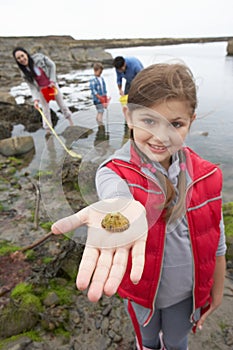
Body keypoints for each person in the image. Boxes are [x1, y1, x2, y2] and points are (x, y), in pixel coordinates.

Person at [51, 63, 226, 350]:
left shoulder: (208, 176)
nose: (161, 136)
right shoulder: (115, 171)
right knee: (146, 341)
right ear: (128, 117)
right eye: (149, 121)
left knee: (177, 341)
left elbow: (217, 241)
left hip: (186, 294)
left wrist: (216, 290)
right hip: (141, 291)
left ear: (191, 121)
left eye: (176, 124)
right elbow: (115, 194)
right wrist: (119, 208)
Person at [12, 47, 73, 136]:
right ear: (17, 61)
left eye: (22, 56)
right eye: (18, 58)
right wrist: (36, 100)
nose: (22, 59)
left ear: (26, 54)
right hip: (41, 90)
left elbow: (52, 65)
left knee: (62, 105)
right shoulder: (24, 73)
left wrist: (52, 80)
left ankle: (71, 123)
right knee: (45, 110)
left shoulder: (39, 58)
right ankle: (48, 130)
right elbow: (32, 87)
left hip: (52, 86)